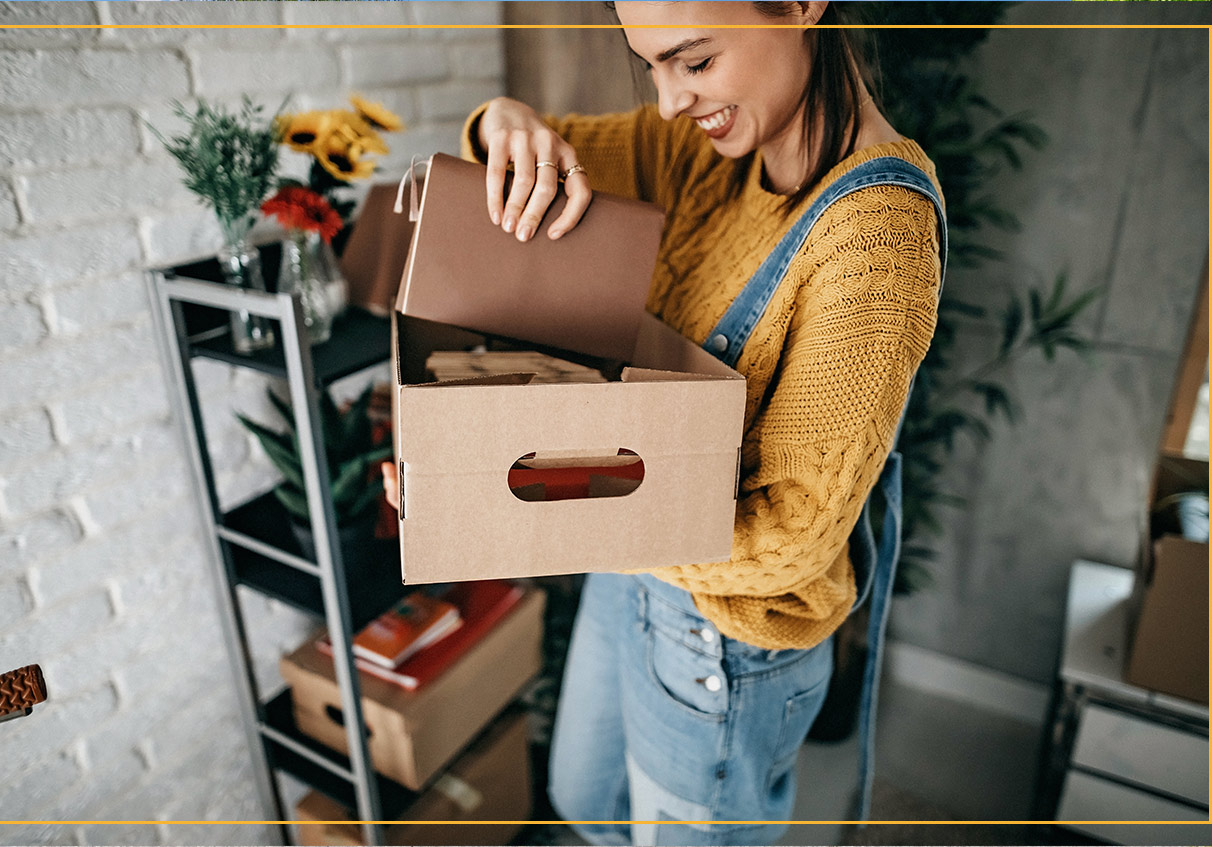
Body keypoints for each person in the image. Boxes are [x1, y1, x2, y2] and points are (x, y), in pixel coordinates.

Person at [385, 2, 946, 844]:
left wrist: (522, 504)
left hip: (729, 642)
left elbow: (792, 534)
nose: (668, 102)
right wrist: (505, 121)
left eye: (693, 60)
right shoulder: (701, 152)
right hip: (638, 575)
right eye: (650, 65)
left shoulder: (875, 232)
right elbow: (520, 150)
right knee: (582, 797)